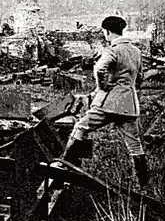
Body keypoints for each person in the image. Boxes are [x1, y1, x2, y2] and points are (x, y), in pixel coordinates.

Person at [55, 16, 149, 190]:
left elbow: (99, 69)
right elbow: (141, 77)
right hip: (129, 104)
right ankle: (144, 184)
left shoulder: (112, 50)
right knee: (135, 145)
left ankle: (63, 165)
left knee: (81, 127)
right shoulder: (136, 51)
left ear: (106, 32)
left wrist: (103, 87)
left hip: (109, 103)